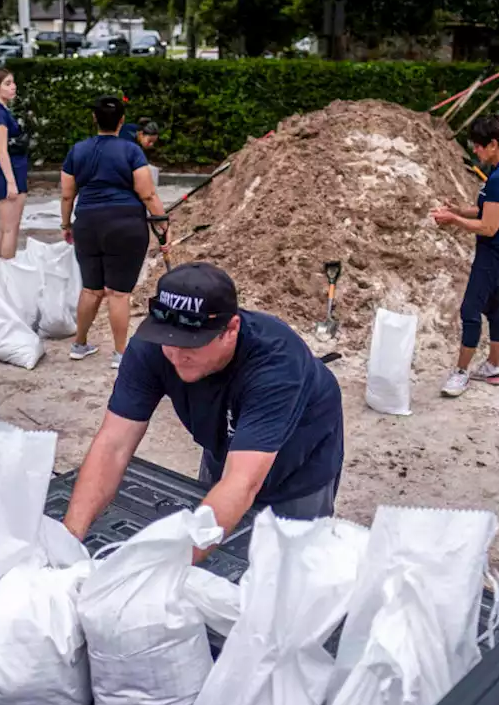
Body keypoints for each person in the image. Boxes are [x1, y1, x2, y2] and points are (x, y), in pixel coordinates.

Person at [62, 263, 345, 554]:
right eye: (168, 340)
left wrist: (160, 569)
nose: (176, 354)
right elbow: (113, 445)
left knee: (289, 563)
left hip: (298, 462)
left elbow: (242, 481)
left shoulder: (277, 364)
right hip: (227, 440)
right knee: (215, 538)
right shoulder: (152, 346)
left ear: (231, 329)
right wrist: (69, 541)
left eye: (191, 344)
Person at [60, 95, 168, 369]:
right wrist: (162, 221)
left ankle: (79, 344)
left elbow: (66, 195)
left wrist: (66, 225)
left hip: (88, 223)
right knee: (119, 293)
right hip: (126, 224)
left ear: (94, 118)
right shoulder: (131, 151)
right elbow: (147, 192)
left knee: (91, 288)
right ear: (122, 121)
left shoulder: (77, 150)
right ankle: (120, 354)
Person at [431, 114, 499, 398]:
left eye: (478, 146)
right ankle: (493, 367)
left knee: (470, 308)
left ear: (494, 144)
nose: (475, 151)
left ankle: (461, 372)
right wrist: (460, 210)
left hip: (496, 248)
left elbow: (488, 226)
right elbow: (490, 210)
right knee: (495, 304)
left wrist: (453, 221)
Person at [0, 68, 28, 261]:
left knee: (5, 228)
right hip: (9, 172)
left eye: (13, 82)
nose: (13, 87)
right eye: (7, 84)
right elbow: (1, 149)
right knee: (10, 228)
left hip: (11, 170)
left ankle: (0, 273)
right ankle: (6, 275)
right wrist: (11, 182)